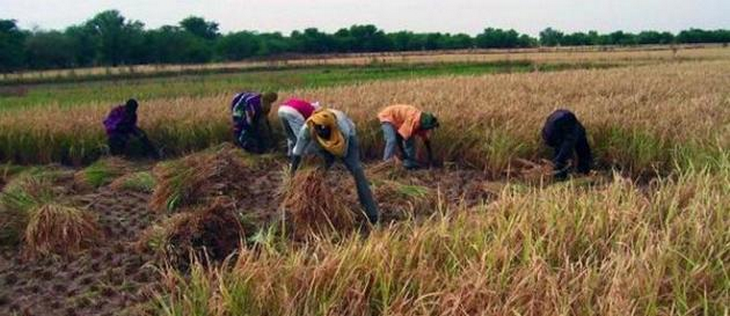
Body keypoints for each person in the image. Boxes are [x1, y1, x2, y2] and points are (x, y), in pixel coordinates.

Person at [290, 108, 379, 224]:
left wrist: (331, 156)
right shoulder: (307, 128)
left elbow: (342, 151)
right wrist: (293, 173)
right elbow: (297, 151)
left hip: (347, 142)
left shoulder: (342, 127)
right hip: (321, 143)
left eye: (326, 133)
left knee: (357, 171)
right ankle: (316, 209)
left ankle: (371, 214)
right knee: (316, 175)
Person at [377, 104, 439, 170]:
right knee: (392, 140)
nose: (430, 131)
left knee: (410, 140)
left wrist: (430, 159)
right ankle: (386, 163)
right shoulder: (413, 120)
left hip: (399, 121)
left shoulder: (422, 124)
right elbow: (399, 137)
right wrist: (403, 153)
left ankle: (409, 163)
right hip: (388, 117)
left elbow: (427, 143)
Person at [541, 109, 593, 180]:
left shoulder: (575, 130)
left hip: (553, 122)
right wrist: (559, 161)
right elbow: (568, 145)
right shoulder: (576, 131)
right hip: (564, 121)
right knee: (567, 152)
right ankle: (580, 172)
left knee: (561, 150)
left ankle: (560, 175)